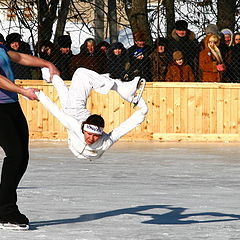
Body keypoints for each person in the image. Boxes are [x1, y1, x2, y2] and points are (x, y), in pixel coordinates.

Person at [0, 41, 59, 230]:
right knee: (15, 155)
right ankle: (6, 211)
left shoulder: (1, 48)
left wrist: (47, 64)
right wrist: (23, 91)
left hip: (11, 105)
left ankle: (4, 206)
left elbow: (19, 57)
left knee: (21, 157)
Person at [37, 67, 148, 160]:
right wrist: (143, 111)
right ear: (84, 129)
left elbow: (56, 112)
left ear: (100, 134)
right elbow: (124, 128)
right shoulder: (102, 141)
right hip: (78, 113)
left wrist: (38, 94)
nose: (91, 138)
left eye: (95, 136)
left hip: (73, 113)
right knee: (76, 78)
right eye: (90, 134)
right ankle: (116, 84)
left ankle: (47, 72)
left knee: (78, 76)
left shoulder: (77, 127)